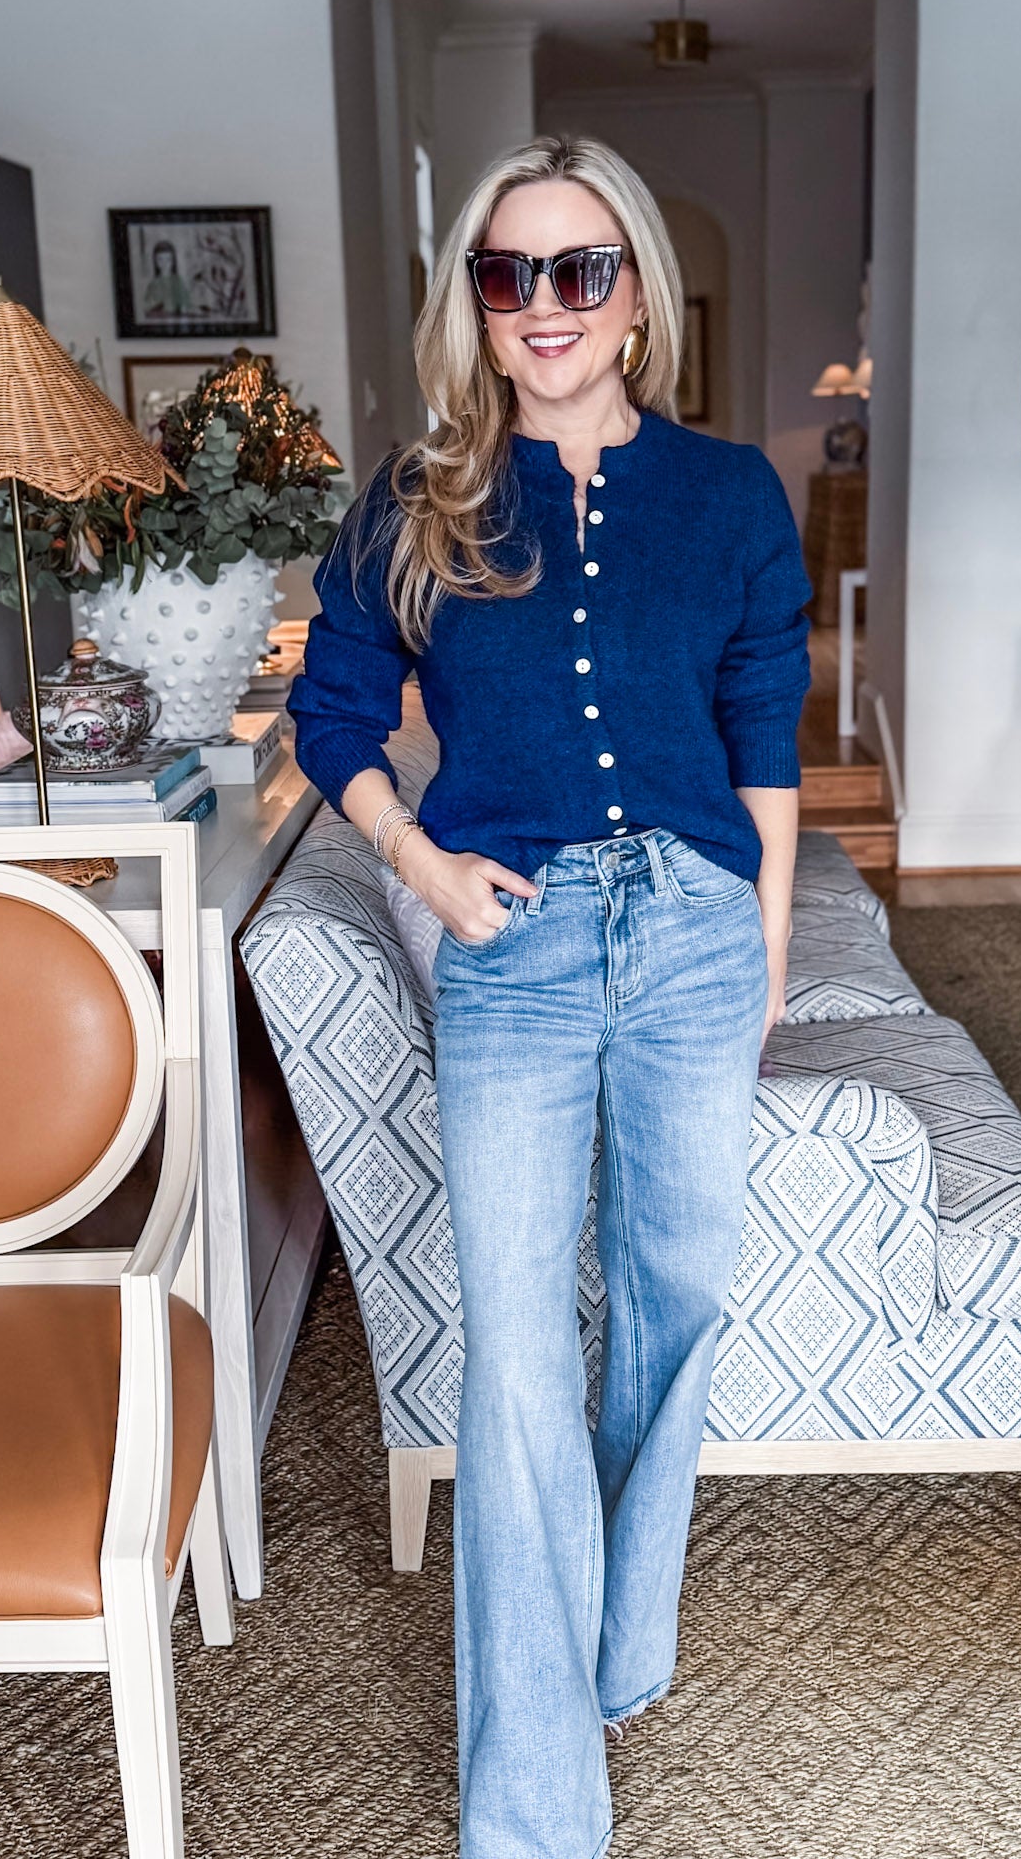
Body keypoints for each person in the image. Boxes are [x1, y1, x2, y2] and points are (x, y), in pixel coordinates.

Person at [288, 135, 810, 1859]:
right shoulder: (415, 498)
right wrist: (424, 868)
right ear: (476, 302)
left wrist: (768, 944)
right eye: (509, 274)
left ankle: (620, 1640)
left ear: (638, 293)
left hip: (693, 934)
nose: (544, 305)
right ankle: (531, 1811)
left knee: (678, 1296)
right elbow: (334, 715)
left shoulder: (730, 495)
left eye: (580, 269)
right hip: (509, 946)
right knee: (515, 1349)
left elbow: (761, 734)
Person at [140, 237, 191, 319]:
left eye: (168, 259)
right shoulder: (153, 284)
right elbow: (146, 305)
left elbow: (186, 303)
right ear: (155, 261)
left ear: (173, 261)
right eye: (160, 259)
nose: (164, 264)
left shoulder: (177, 281)